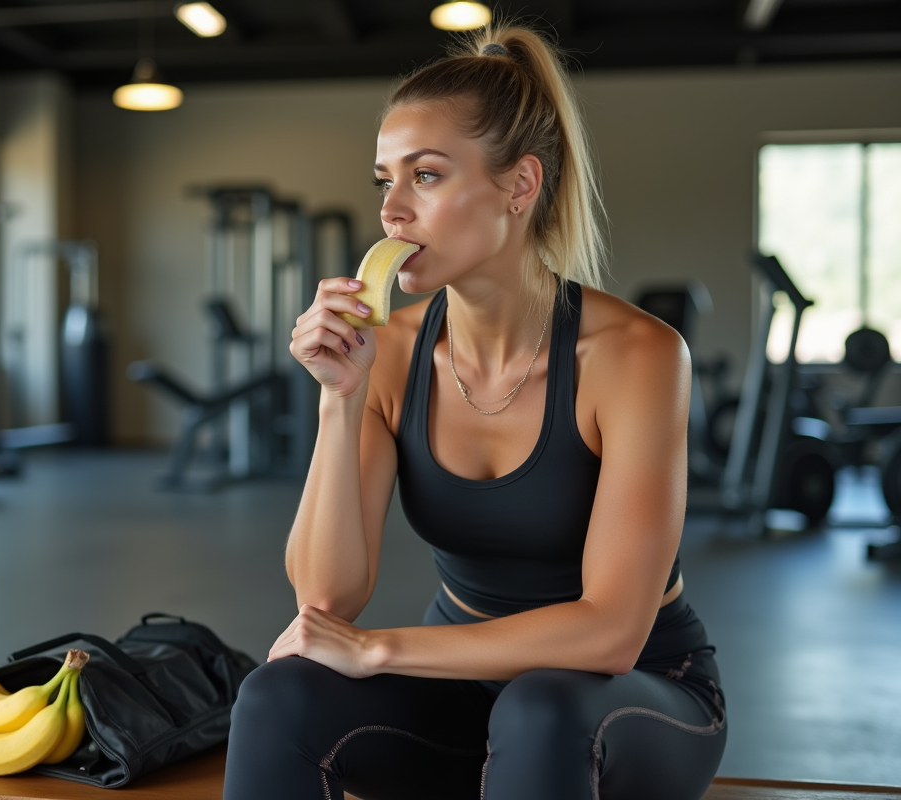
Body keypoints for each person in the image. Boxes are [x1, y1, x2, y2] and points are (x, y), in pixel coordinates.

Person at [223, 22, 726, 800]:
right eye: (383, 181)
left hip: (633, 699)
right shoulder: (388, 349)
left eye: (424, 177)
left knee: (542, 707)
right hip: (465, 694)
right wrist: (339, 402)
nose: (391, 211)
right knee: (276, 694)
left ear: (519, 187)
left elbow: (611, 633)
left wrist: (382, 650)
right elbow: (324, 604)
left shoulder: (636, 356)